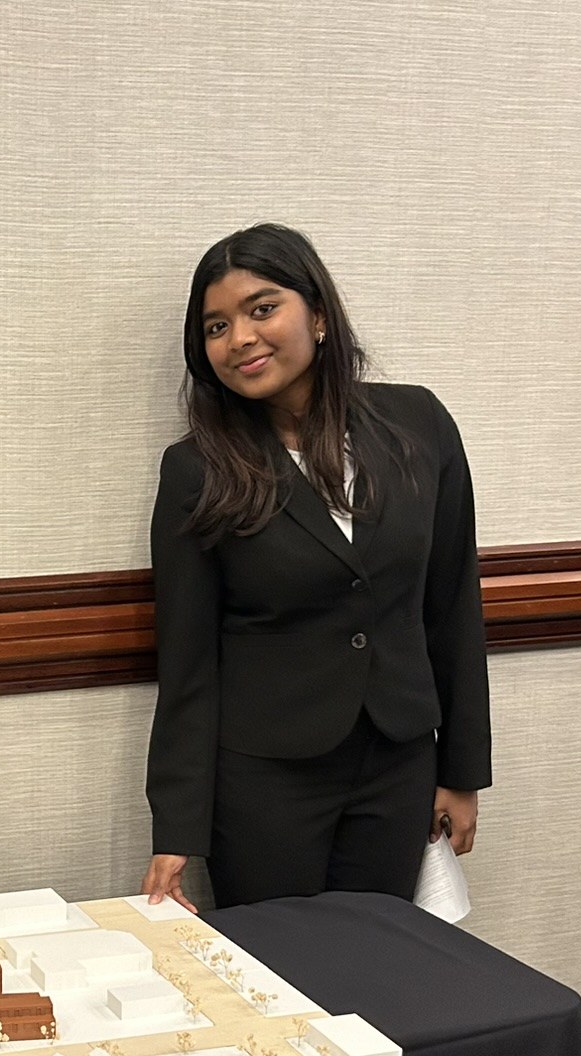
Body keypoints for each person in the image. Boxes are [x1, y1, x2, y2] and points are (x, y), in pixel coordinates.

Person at [141, 223, 490, 915]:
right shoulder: (197, 470)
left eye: (262, 309)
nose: (240, 338)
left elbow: (453, 605)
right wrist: (177, 829)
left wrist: (462, 771)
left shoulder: (419, 425)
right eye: (216, 326)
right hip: (265, 782)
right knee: (277, 964)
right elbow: (188, 661)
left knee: (381, 952)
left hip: (398, 763)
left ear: (320, 315)